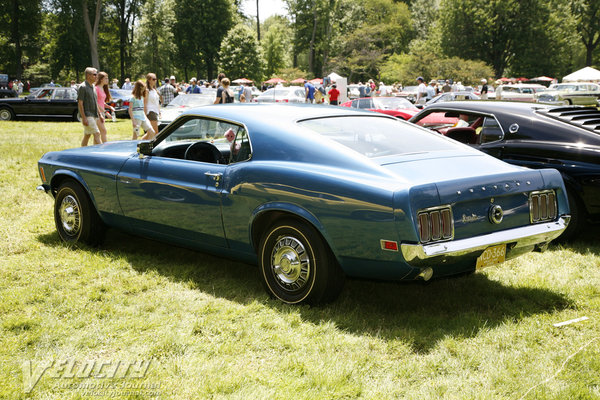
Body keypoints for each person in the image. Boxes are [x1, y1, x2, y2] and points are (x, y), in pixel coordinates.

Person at [77, 67, 104, 146]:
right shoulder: (83, 87)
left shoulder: (93, 87)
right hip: (87, 115)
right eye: (95, 75)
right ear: (88, 76)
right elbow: (80, 103)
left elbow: (95, 102)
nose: (97, 77)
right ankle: (102, 152)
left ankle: (83, 152)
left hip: (94, 114)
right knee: (97, 133)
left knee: (87, 135)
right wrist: (84, 117)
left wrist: (100, 114)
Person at [94, 71, 114, 143]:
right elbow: (95, 102)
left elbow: (101, 102)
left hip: (102, 112)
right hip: (97, 113)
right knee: (103, 131)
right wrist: (106, 112)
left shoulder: (102, 88)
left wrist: (109, 107)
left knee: (98, 133)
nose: (107, 80)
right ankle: (105, 147)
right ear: (101, 79)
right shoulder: (96, 88)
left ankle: (94, 149)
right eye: (106, 78)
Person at [144, 73, 160, 138]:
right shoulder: (147, 90)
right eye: (153, 79)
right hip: (150, 112)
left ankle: (141, 143)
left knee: (150, 133)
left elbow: (157, 102)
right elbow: (144, 103)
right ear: (149, 80)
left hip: (155, 112)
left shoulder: (154, 90)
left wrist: (159, 112)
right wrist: (144, 115)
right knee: (155, 132)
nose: (155, 80)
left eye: (155, 79)